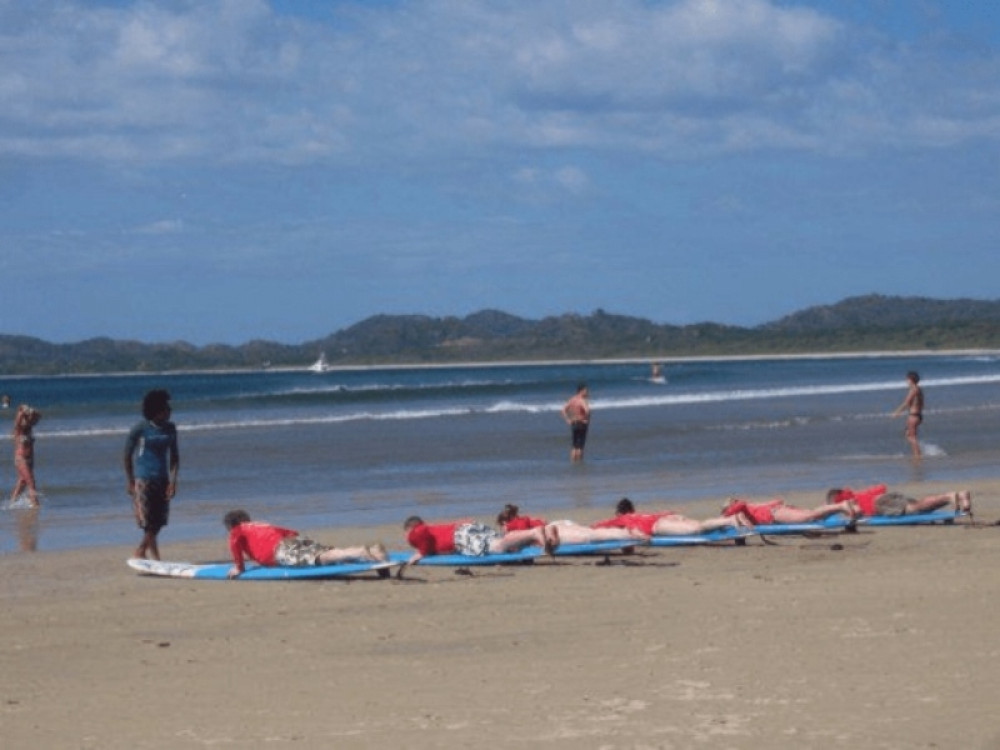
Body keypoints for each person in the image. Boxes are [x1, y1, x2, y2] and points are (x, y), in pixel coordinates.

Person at [223, 509, 387, 578]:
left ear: (232, 525)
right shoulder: (262, 524)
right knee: (324, 552)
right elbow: (292, 533)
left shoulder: (237, 530)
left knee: (321, 558)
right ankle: (372, 552)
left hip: (279, 550)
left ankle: (360, 552)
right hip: (290, 540)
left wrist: (239, 567)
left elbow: (234, 544)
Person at [123, 389, 179, 560]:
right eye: (165, 409)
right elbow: (127, 455)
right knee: (148, 521)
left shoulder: (170, 429)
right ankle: (149, 554)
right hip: (143, 478)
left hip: (162, 478)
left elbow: (174, 457)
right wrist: (130, 480)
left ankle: (144, 551)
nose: (169, 412)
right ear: (156, 411)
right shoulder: (140, 429)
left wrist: (173, 481)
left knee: (159, 521)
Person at [402, 515, 559, 565]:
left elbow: (421, 533)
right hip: (465, 530)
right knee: (503, 542)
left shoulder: (417, 531)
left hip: (460, 537)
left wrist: (420, 553)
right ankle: (537, 533)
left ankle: (534, 533)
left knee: (497, 547)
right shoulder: (433, 528)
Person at [496, 503, 647, 544]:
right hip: (560, 524)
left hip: (555, 530)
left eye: (501, 526)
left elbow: (520, 537)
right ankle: (626, 532)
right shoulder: (526, 518)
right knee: (590, 532)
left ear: (505, 522)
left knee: (590, 536)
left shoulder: (512, 525)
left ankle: (629, 533)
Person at [592, 497, 742, 537]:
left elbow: (601, 525)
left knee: (698, 529)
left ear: (619, 513)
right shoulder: (642, 515)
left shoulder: (622, 519)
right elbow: (662, 513)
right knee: (700, 524)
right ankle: (726, 521)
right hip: (668, 516)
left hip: (660, 525)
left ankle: (730, 520)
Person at [826, 484, 972, 518]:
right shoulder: (856, 495)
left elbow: (854, 511)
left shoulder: (846, 501)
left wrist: (852, 517)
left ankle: (950, 497)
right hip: (883, 499)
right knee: (921, 508)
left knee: (915, 508)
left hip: (880, 504)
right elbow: (881, 488)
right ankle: (956, 496)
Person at [721, 495, 857, 526]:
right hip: (776, 512)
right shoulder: (747, 508)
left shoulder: (740, 507)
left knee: (809, 516)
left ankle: (841, 506)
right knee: (813, 516)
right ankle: (841, 508)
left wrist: (726, 515)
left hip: (775, 513)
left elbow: (741, 505)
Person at [10, 404, 42, 507]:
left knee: (22, 482)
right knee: (30, 481)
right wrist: (23, 410)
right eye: (26, 418)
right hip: (21, 459)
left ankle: (12, 503)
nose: (28, 420)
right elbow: (17, 420)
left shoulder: (29, 428)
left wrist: (31, 411)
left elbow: (39, 416)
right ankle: (35, 505)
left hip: (30, 459)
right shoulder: (18, 430)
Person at [891, 370, 924, 458]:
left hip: (913, 416)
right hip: (917, 415)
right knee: (908, 435)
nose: (906, 381)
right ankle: (917, 453)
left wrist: (897, 412)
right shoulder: (918, 389)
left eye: (907, 379)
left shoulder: (914, 389)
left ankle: (918, 455)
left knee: (912, 437)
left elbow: (906, 402)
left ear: (911, 380)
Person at [561, 382, 591, 462]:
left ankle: (573, 462)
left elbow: (563, 410)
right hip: (581, 423)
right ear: (581, 391)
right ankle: (579, 463)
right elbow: (587, 411)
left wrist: (568, 420)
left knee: (574, 445)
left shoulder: (572, 399)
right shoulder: (582, 400)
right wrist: (586, 419)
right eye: (586, 391)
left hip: (574, 423)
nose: (587, 392)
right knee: (580, 446)